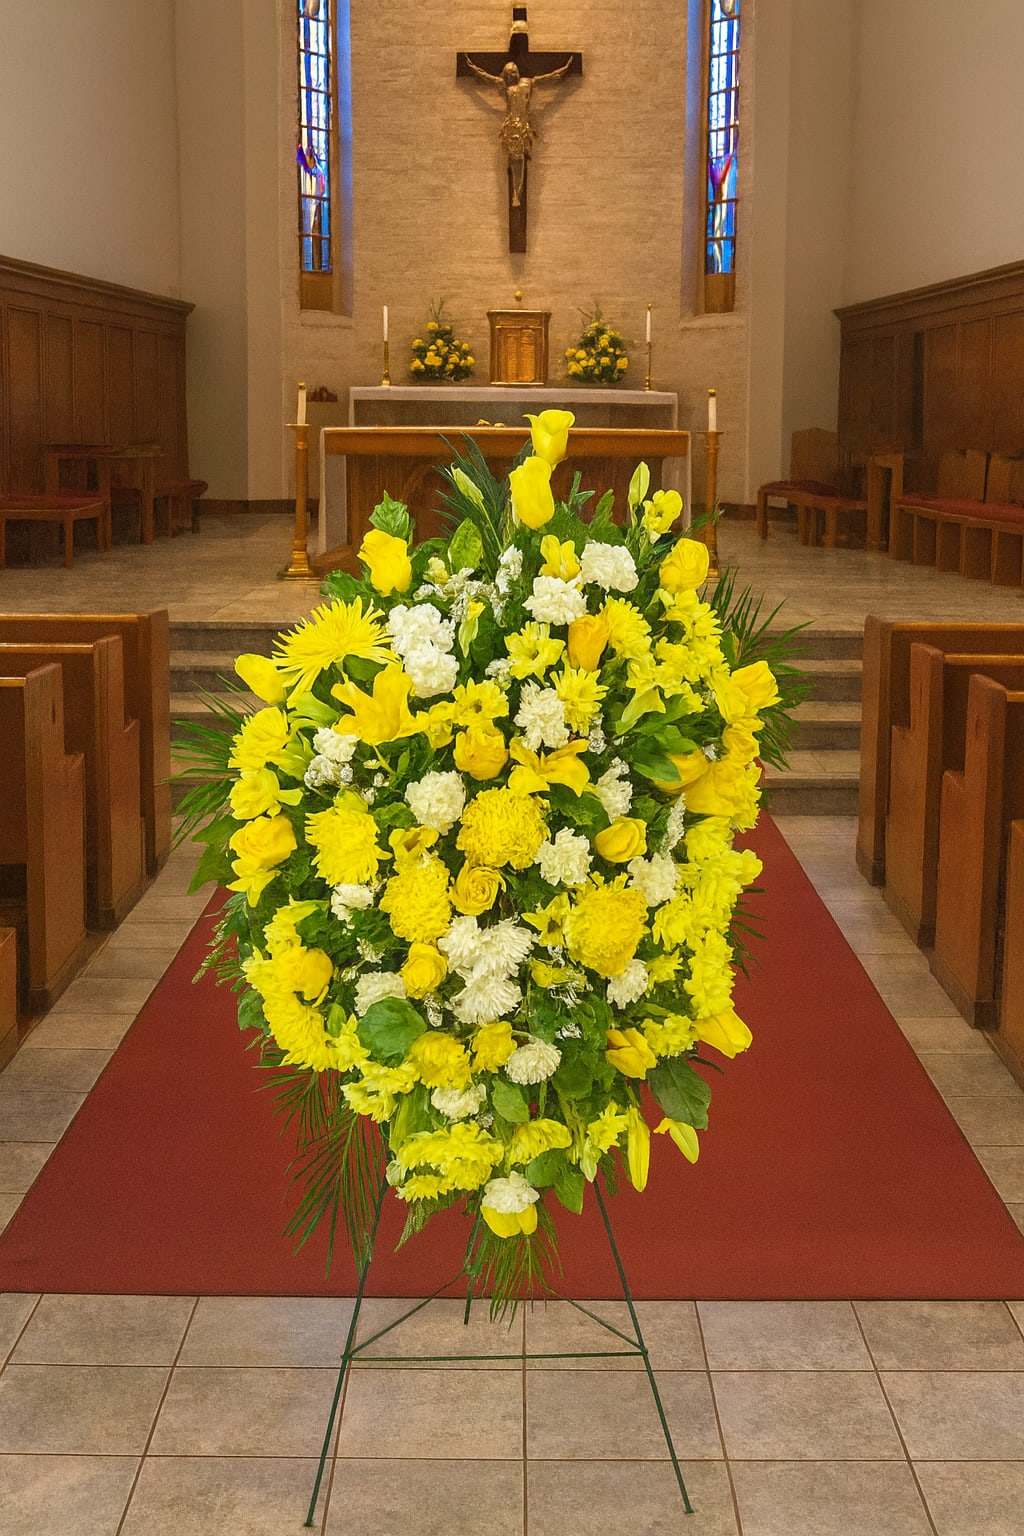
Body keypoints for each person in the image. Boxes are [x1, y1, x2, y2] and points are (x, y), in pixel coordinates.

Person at [461, 56, 574, 208]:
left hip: (523, 127)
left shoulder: (528, 83)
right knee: (515, 161)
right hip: (511, 128)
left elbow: (549, 77)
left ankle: (517, 192)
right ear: (506, 75)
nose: (514, 74)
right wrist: (472, 67)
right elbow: (486, 77)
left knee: (520, 160)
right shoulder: (505, 86)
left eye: (515, 71)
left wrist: (565, 68)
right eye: (511, 72)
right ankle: (516, 192)